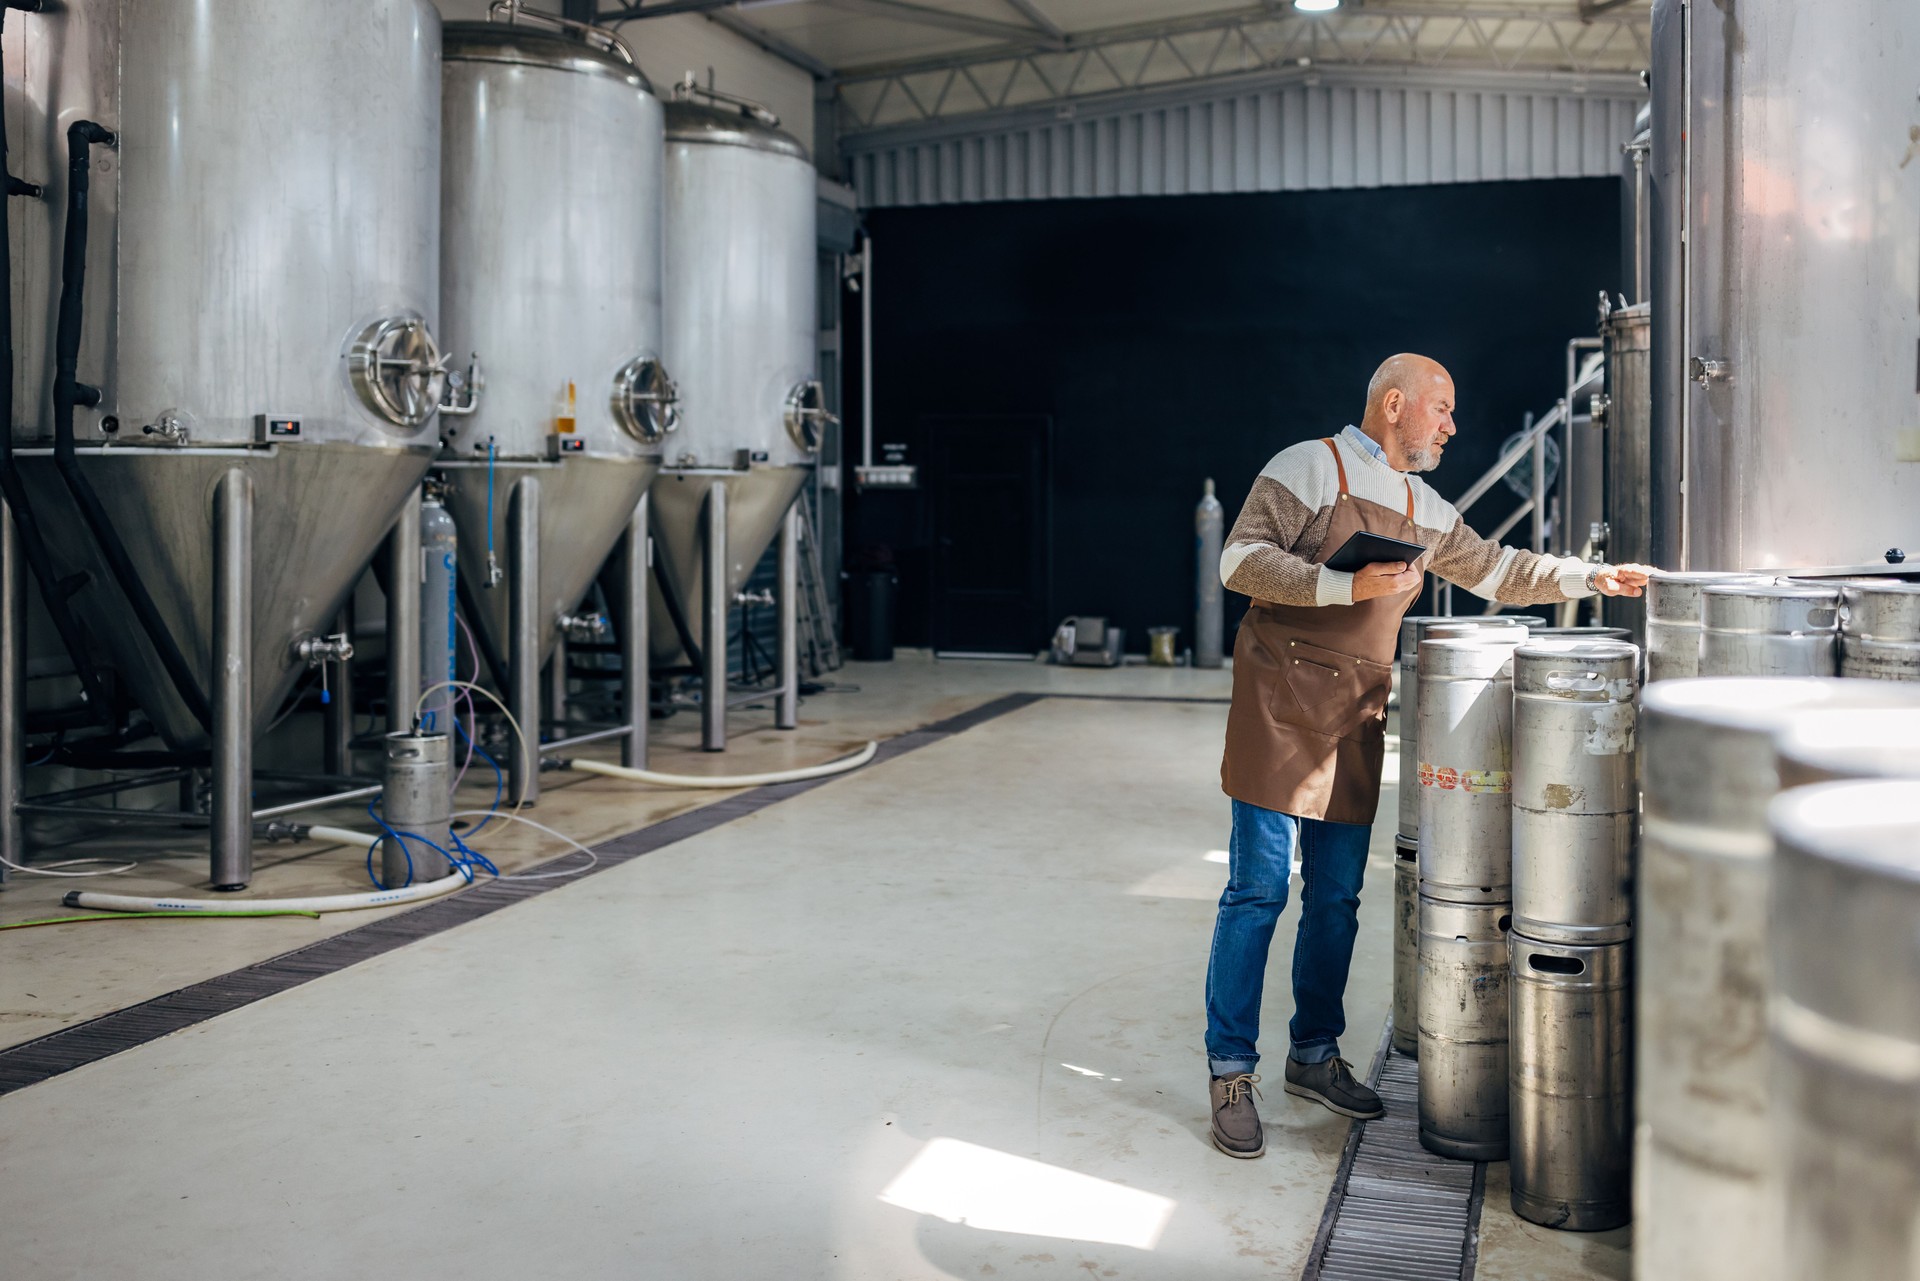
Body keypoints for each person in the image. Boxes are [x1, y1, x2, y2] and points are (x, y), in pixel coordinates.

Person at [1204, 353, 1650, 1159]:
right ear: (1396, 403)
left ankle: (1313, 1054)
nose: (1451, 424)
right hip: (1278, 706)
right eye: (1442, 409)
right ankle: (1231, 1068)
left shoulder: (1424, 504)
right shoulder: (1310, 465)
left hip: (1353, 715)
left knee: (1336, 898)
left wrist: (1592, 573)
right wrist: (1349, 589)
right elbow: (1239, 560)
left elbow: (1497, 570)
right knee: (1258, 891)